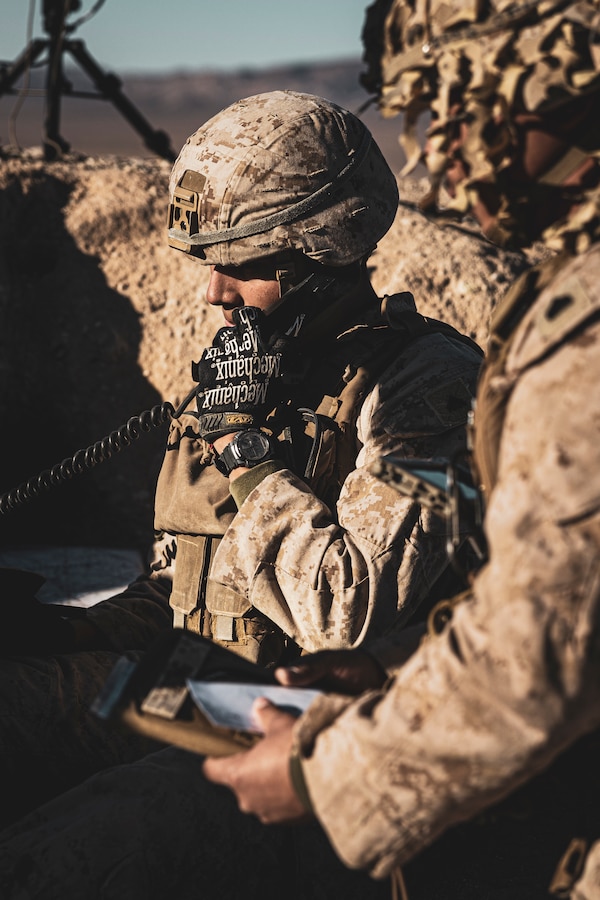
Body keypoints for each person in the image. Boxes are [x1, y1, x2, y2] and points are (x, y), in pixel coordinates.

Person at [0, 90, 483, 828]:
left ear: (321, 256)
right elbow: (186, 589)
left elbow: (346, 614)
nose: (212, 292)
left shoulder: (422, 385)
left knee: (59, 857)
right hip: (193, 690)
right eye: (208, 262)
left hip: (309, 734)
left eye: (241, 266)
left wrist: (245, 453)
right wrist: (74, 633)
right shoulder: (253, 373)